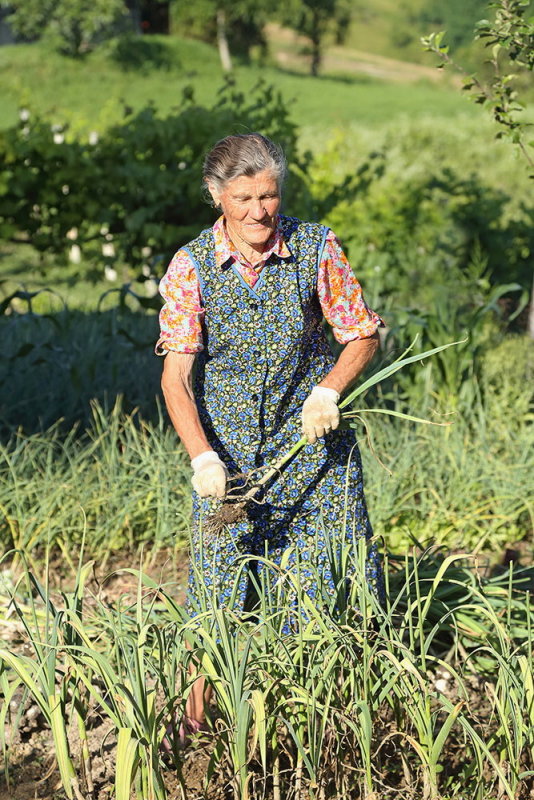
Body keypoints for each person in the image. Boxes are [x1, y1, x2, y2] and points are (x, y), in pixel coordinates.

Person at [156, 132, 383, 747]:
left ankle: (309, 725)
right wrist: (202, 455)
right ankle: (196, 728)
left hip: (311, 451)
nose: (260, 211)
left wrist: (330, 389)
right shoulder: (191, 265)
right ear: (216, 196)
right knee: (216, 582)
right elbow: (176, 378)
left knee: (315, 586)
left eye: (270, 195)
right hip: (228, 459)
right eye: (244, 197)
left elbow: (361, 333)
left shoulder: (314, 247)